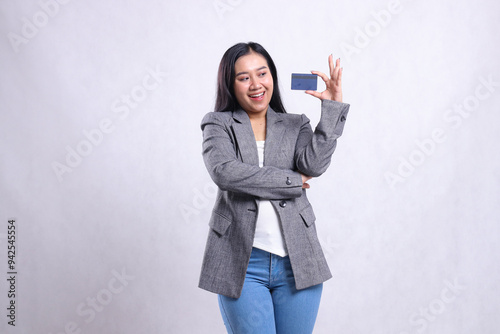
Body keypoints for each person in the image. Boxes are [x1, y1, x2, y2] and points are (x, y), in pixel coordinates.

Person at [199, 41, 350, 334]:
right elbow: (226, 173)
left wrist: (330, 110)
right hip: (241, 263)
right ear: (231, 85)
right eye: (244, 77)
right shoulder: (217, 124)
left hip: (298, 262)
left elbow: (314, 166)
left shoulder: (295, 124)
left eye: (262, 73)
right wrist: (292, 181)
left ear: (272, 77)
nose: (256, 84)